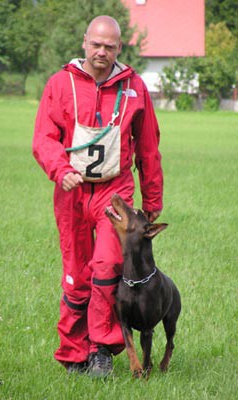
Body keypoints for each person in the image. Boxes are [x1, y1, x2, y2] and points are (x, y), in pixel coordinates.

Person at [32, 15, 163, 377]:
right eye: (96, 44)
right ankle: (74, 353)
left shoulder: (134, 86)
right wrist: (61, 170)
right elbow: (43, 138)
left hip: (114, 193)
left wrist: (152, 202)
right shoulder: (60, 84)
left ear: (119, 47)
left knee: (106, 269)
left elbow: (149, 148)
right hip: (71, 194)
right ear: (84, 43)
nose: (102, 51)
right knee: (76, 276)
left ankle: (101, 349)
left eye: (110, 46)